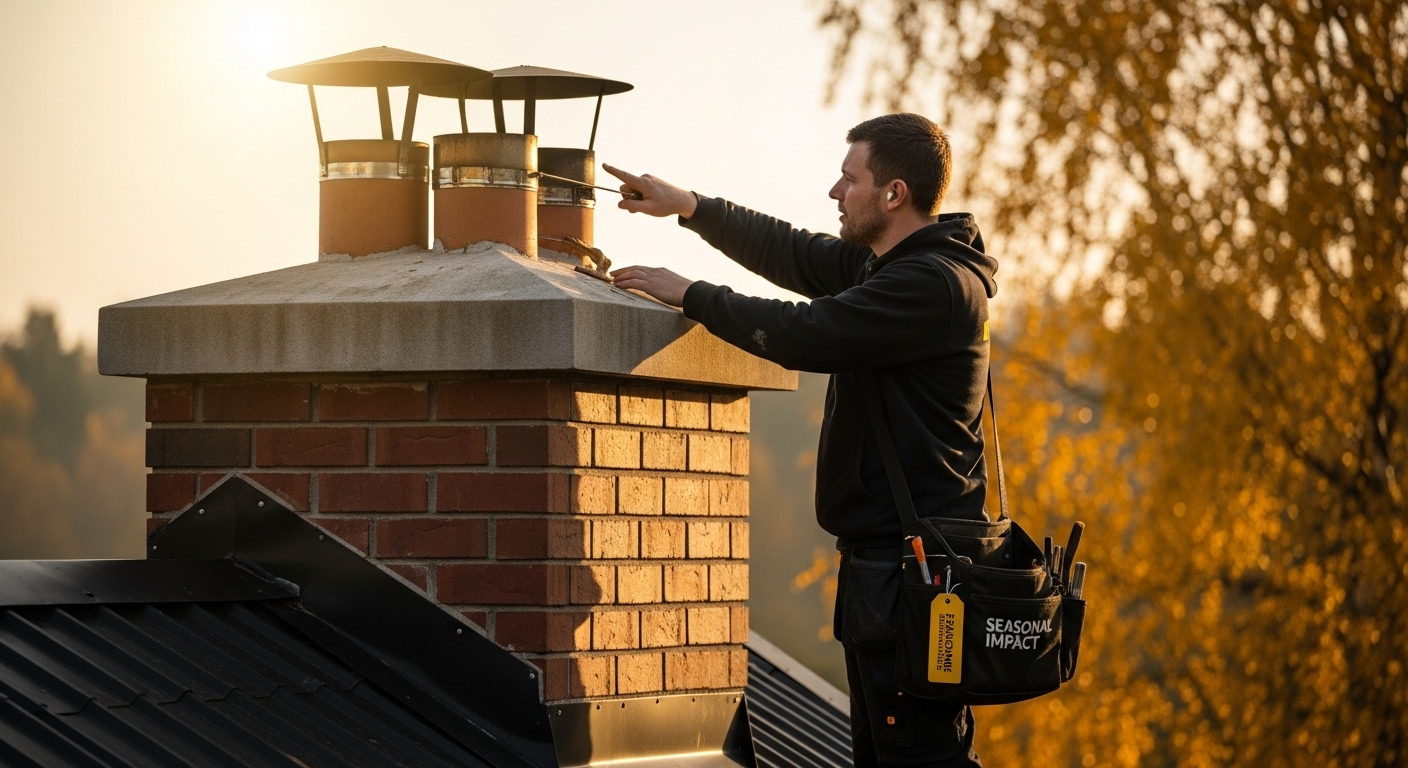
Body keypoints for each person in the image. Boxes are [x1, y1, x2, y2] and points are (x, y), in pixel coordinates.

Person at [605, 113, 994, 768]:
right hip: (892, 571)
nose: (835, 193)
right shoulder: (894, 267)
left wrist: (692, 294)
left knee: (920, 758)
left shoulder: (929, 285)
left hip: (917, 578)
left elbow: (804, 333)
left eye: (850, 179)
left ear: (894, 194)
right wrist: (693, 207)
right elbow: (793, 252)